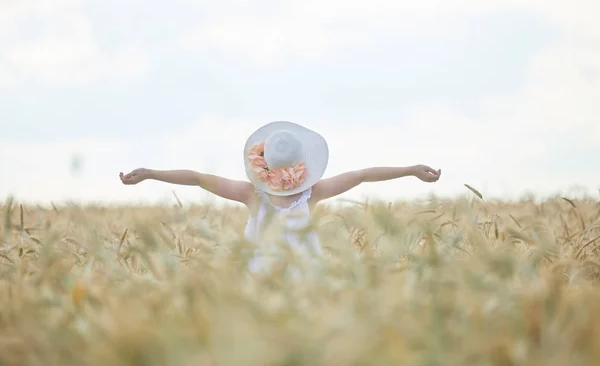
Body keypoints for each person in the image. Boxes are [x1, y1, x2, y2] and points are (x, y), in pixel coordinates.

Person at [119, 121, 441, 273]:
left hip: (297, 283)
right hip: (270, 283)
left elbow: (362, 175)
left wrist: (410, 169)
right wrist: (150, 173)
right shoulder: (307, 194)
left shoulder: (254, 194)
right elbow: (197, 179)